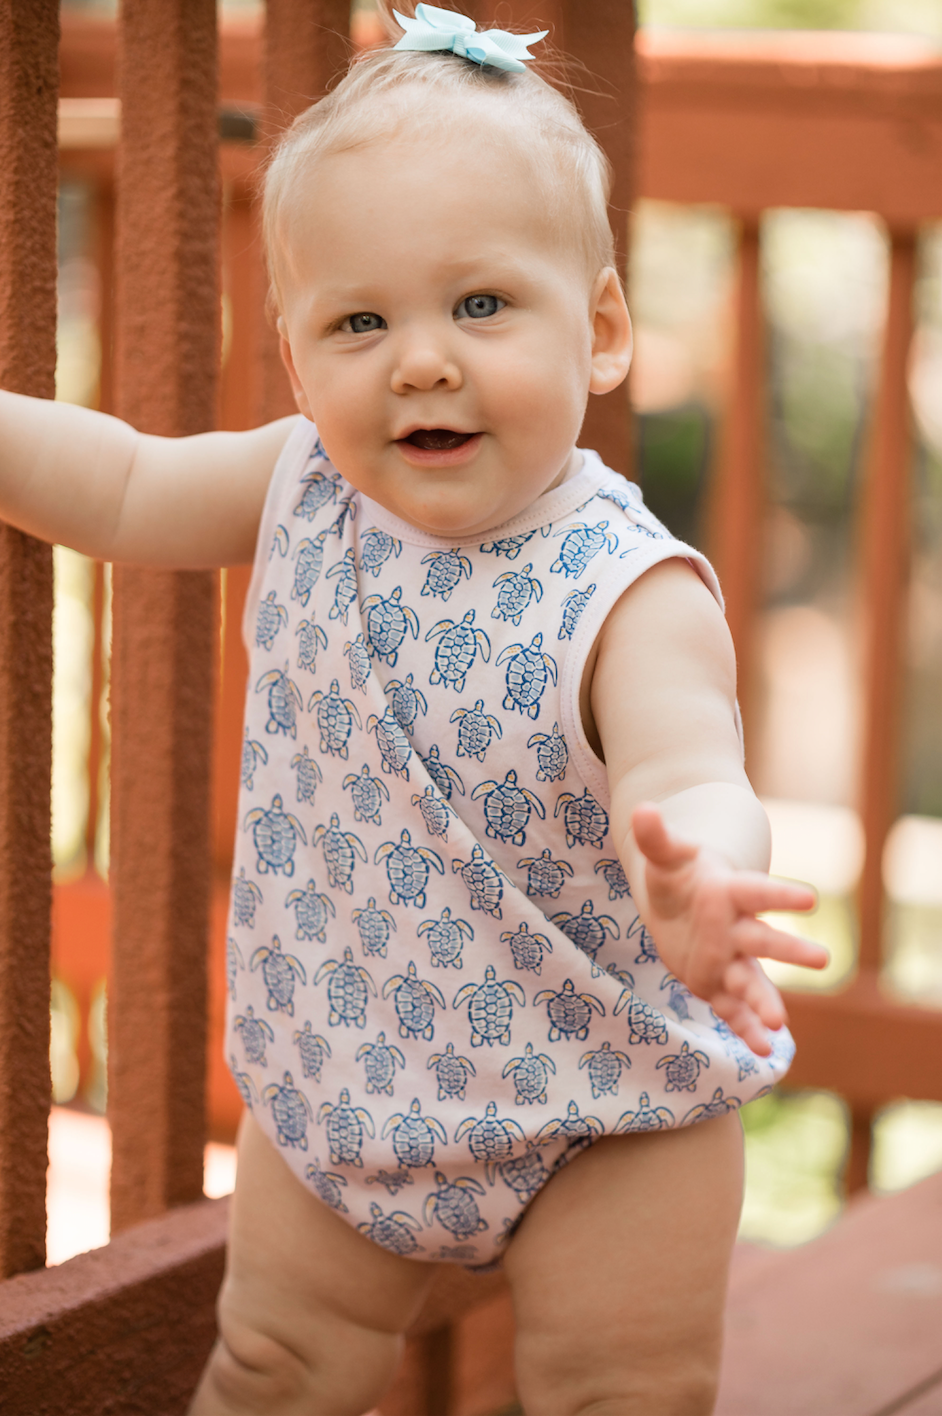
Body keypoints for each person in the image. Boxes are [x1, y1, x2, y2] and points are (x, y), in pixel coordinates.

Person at [1, 6, 826, 1412]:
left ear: (604, 328)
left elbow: (691, 771)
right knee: (269, 1364)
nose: (422, 359)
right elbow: (127, 485)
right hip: (348, 1073)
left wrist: (702, 879)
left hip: (605, 1103)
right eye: (360, 321)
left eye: (482, 305)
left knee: (615, 1390)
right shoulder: (299, 488)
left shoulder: (624, 588)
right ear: (297, 350)